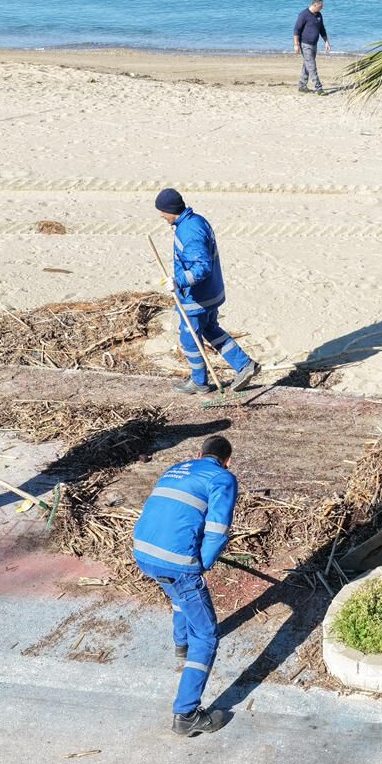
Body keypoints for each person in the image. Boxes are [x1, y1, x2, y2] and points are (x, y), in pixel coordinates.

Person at [132, 435, 240, 736]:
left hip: (143, 551)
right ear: (228, 460)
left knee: (179, 593)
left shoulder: (176, 468)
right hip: (177, 563)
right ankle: (187, 713)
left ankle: (181, 644)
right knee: (206, 635)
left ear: (198, 453)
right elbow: (217, 530)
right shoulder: (223, 478)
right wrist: (201, 566)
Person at [156, 188, 259, 394]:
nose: (160, 215)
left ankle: (199, 382)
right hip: (211, 292)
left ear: (171, 210)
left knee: (189, 337)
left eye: (162, 211)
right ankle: (244, 365)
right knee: (211, 329)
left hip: (197, 297)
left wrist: (179, 281)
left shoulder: (188, 232)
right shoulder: (196, 221)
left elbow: (202, 267)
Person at [293, 0, 330, 95]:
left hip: (314, 44)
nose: (322, 8)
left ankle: (302, 85)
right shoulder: (303, 15)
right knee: (312, 66)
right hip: (305, 45)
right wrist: (296, 45)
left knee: (307, 64)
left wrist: (326, 42)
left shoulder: (319, 15)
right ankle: (319, 88)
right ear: (315, 5)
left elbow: (322, 29)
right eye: (320, 6)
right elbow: (296, 30)